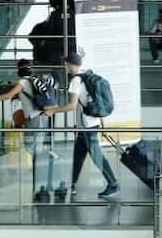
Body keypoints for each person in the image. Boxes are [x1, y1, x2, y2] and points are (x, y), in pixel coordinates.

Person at [42, 53, 119, 200]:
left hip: (87, 126)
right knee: (78, 156)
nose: (65, 66)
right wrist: (103, 125)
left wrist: (53, 110)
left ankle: (113, 184)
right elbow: (98, 101)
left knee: (97, 157)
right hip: (92, 123)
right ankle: (71, 185)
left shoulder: (76, 81)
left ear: (71, 64)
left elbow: (71, 106)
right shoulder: (88, 75)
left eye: (66, 63)